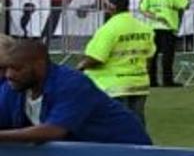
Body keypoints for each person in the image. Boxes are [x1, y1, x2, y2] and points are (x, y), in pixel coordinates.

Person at [0, 39, 152, 145]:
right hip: (85, 155)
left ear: (39, 65)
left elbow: (52, 131)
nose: (9, 75)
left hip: (124, 150)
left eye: (17, 68)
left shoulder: (71, 83)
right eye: (6, 68)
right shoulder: (14, 87)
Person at [77, 0, 156, 128]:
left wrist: (80, 67)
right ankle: (141, 147)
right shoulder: (145, 28)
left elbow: (97, 58)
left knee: (116, 125)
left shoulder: (109, 29)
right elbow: (149, 55)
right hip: (139, 83)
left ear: (111, 7)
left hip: (112, 85)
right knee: (137, 124)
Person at [140, 0, 188, 88]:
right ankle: (167, 81)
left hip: (152, 27)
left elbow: (142, 9)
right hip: (167, 27)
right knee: (167, 55)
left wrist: (154, 16)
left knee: (152, 55)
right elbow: (186, 5)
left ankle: (152, 81)